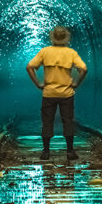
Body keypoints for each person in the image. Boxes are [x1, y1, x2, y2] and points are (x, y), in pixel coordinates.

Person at [26, 26, 88, 161]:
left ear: (52, 38)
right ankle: (70, 151)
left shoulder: (45, 52)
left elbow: (29, 67)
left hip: (48, 93)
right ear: (66, 38)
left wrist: (38, 84)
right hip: (67, 94)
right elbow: (83, 69)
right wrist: (76, 83)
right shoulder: (71, 53)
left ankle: (46, 152)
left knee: (47, 121)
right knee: (68, 121)